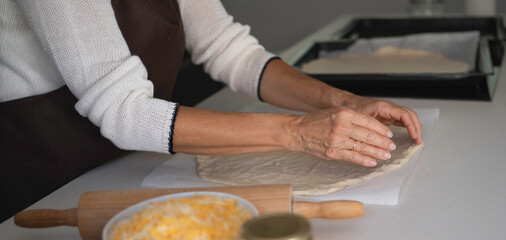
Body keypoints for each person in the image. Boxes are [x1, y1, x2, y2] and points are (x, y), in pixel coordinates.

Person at [0, 0, 422, 222]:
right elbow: (123, 110)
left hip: (129, 162)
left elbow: (228, 49)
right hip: (43, 169)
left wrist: (345, 102)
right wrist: (296, 132)